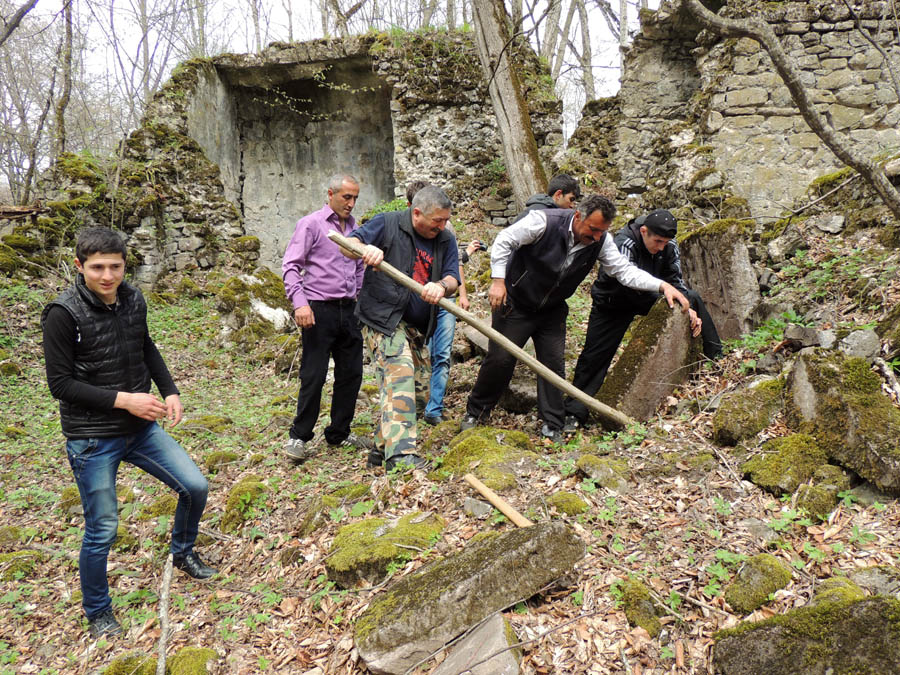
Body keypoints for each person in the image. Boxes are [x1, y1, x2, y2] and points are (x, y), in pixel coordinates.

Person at [41, 227, 215, 639]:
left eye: (114, 267)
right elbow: (60, 385)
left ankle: (182, 552)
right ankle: (98, 610)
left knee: (195, 486)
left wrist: (169, 391)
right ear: (80, 266)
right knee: (102, 527)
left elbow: (146, 346)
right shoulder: (62, 313)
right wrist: (127, 399)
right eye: (97, 267)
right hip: (92, 437)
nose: (107, 276)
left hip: (141, 429)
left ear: (125, 265)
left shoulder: (134, 298)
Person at [461, 196, 691, 442]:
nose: (596, 237)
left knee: (553, 365)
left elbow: (624, 271)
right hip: (516, 304)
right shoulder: (544, 222)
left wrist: (661, 285)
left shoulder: (602, 241)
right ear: (578, 216)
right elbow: (505, 239)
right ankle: (477, 412)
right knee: (500, 359)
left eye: (602, 232)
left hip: (552, 310)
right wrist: (498, 280)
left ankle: (552, 424)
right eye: (593, 229)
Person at [563, 208, 722, 429]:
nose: (661, 248)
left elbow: (675, 280)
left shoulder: (668, 245)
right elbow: (625, 280)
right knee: (594, 356)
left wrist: (686, 307)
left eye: (665, 243)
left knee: (691, 298)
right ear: (644, 231)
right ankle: (574, 411)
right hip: (614, 300)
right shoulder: (624, 243)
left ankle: (716, 357)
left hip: (653, 293)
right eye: (657, 241)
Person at [343, 185, 461, 470]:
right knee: (400, 375)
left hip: (419, 327)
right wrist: (365, 249)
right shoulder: (388, 223)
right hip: (383, 318)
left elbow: (453, 277)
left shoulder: (445, 239)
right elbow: (345, 246)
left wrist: (441, 286)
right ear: (416, 212)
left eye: (446, 220)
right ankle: (401, 457)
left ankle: (380, 449)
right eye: (437, 221)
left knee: (418, 394)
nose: (443, 226)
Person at [281, 173, 369, 462]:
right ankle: (299, 436)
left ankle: (339, 433)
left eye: (355, 197)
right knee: (314, 375)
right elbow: (291, 266)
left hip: (349, 310)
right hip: (318, 309)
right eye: (347, 197)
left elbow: (359, 268)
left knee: (352, 373)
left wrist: (356, 295)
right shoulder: (311, 224)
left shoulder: (355, 228)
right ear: (330, 194)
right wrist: (300, 303)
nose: (351, 203)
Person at [403, 181, 483, 427]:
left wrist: (462, 294)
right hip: (415, 303)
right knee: (417, 356)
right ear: (413, 209)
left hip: (444, 299)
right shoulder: (402, 229)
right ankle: (413, 407)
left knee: (442, 354)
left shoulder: (445, 229)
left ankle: (434, 408)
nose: (437, 224)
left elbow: (455, 264)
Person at [511, 173, 582, 223]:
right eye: (571, 199)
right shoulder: (539, 215)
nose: (572, 205)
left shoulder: (549, 213)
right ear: (558, 195)